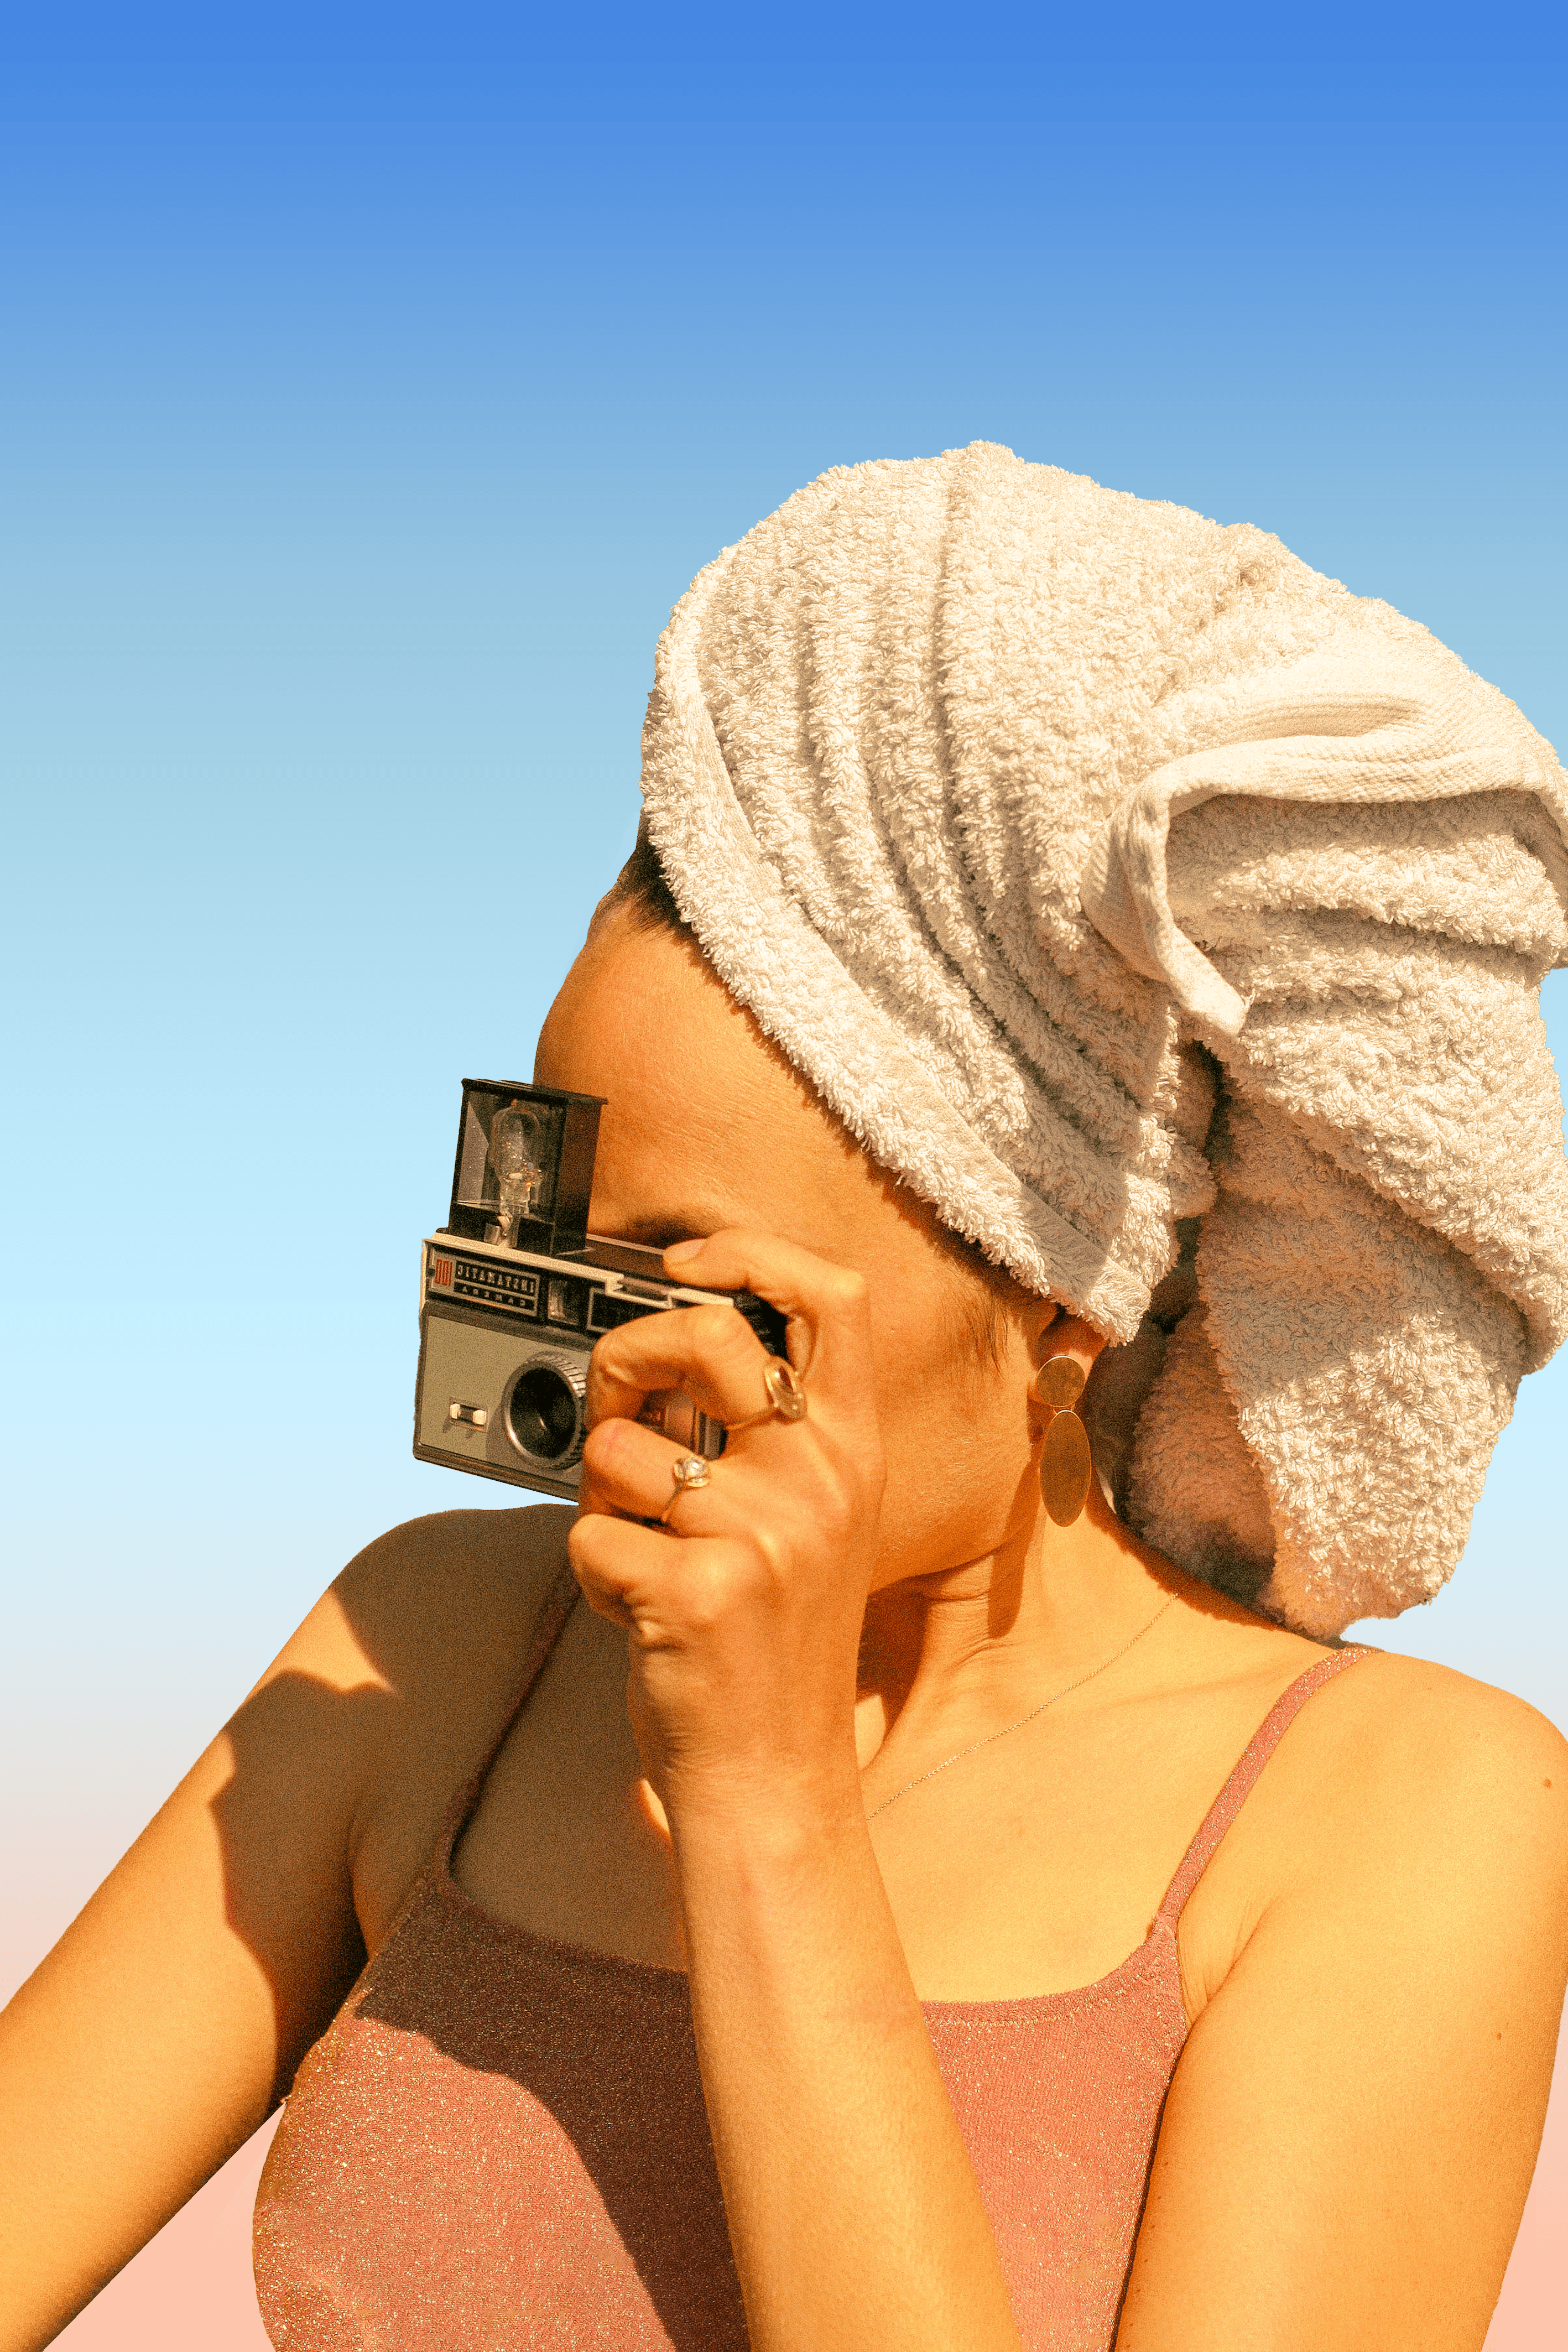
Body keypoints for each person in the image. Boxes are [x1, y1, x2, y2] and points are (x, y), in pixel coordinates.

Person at [4, 444, 1568, 2352]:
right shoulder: (442, 1651)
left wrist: (769, 1811)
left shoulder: (1401, 1816)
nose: (600, 1364)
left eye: (701, 1287)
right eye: (570, 1250)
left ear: (1069, 1305)